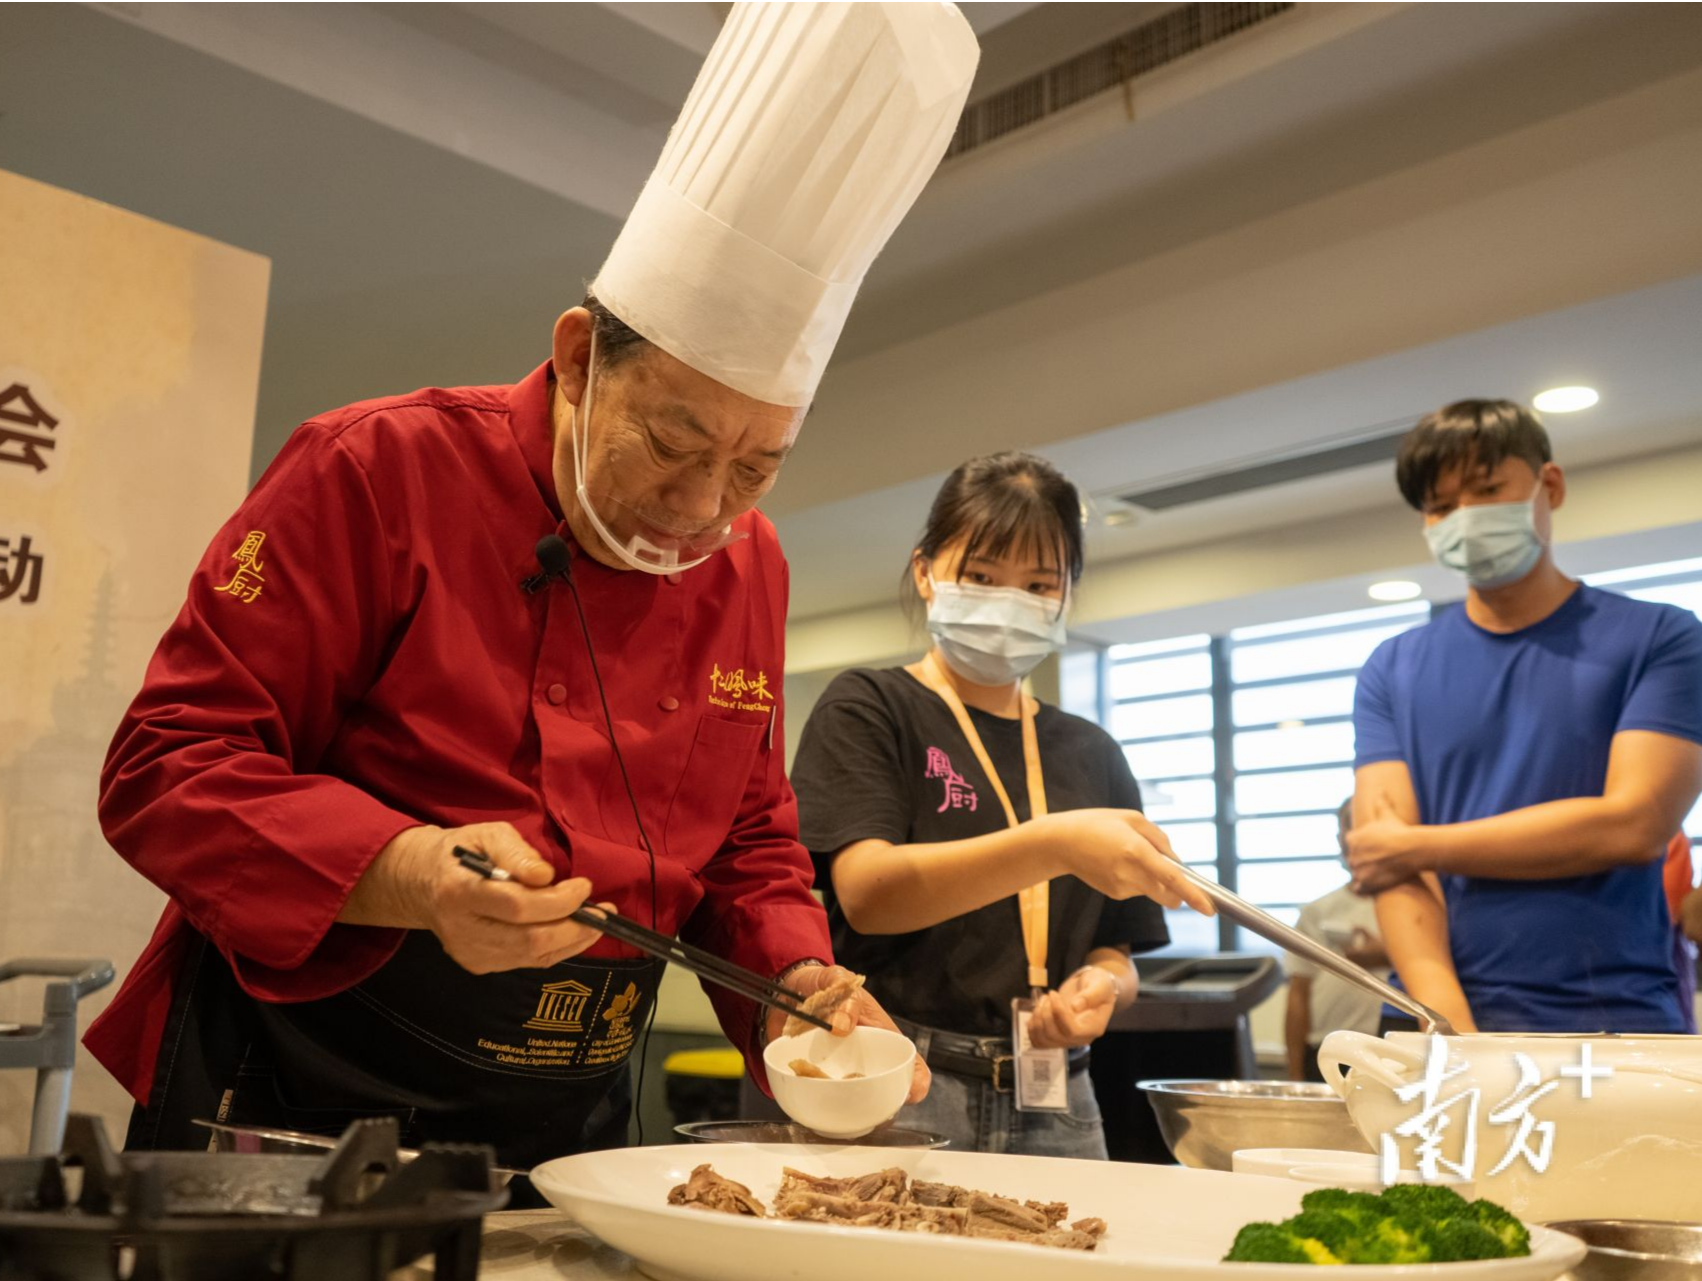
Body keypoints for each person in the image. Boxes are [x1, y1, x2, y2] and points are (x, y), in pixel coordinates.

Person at [86, 2, 981, 1168]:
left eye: (754, 468)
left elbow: (749, 837)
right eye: (673, 444)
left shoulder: (749, 562)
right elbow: (166, 768)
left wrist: (797, 975)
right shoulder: (376, 470)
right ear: (575, 359)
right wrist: (407, 871)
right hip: (302, 1094)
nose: (705, 506)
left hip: (572, 1117)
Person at [788, 452, 1214, 1158]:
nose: (1007, 600)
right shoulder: (872, 706)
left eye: (1038, 583)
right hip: (904, 1075)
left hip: (1060, 1093)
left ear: (1067, 593)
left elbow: (1118, 946)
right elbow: (867, 893)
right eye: (981, 577)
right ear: (925, 571)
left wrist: (1099, 987)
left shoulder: (1091, 749)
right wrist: (1056, 843)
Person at [1347, 399, 1702, 1034]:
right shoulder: (1392, 667)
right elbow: (1385, 864)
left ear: (1550, 486)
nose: (1466, 518)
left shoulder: (1661, 638)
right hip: (1433, 1024)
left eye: (1487, 490)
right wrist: (1450, 1027)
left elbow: (1634, 824)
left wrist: (1417, 844)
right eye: (1441, 506)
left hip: (1608, 1021)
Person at [1284, 801, 1389, 1082]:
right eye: (1349, 825)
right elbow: (1298, 993)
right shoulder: (1317, 911)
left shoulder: (1416, 909)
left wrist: (1386, 954)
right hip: (1326, 1052)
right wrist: (1294, 1074)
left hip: (1391, 1053)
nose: (1355, 836)